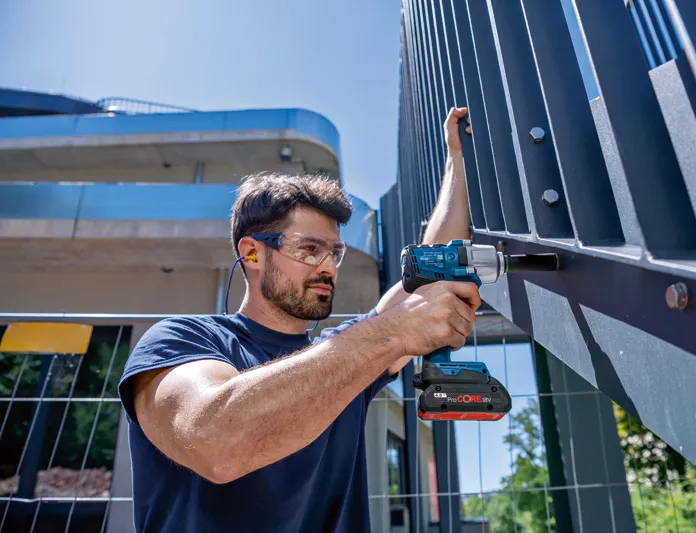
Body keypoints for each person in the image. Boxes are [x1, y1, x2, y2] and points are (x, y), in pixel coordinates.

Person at [117, 107, 475, 532]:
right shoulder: (180, 340)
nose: (329, 268)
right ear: (251, 253)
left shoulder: (345, 358)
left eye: (335, 253)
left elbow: (427, 275)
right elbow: (216, 442)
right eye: (309, 250)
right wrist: (391, 331)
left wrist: (459, 161)